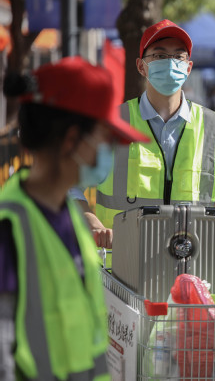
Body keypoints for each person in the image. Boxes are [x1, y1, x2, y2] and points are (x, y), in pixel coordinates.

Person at [0, 57, 149, 380]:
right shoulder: (10, 227)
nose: (111, 152)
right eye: (106, 139)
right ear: (72, 140)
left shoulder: (70, 215)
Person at [74, 19, 215, 249]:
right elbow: (71, 181)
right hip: (124, 263)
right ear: (141, 66)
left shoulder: (212, 125)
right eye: (159, 55)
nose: (170, 63)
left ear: (188, 67)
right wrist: (92, 223)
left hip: (192, 263)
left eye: (178, 56)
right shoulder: (113, 123)